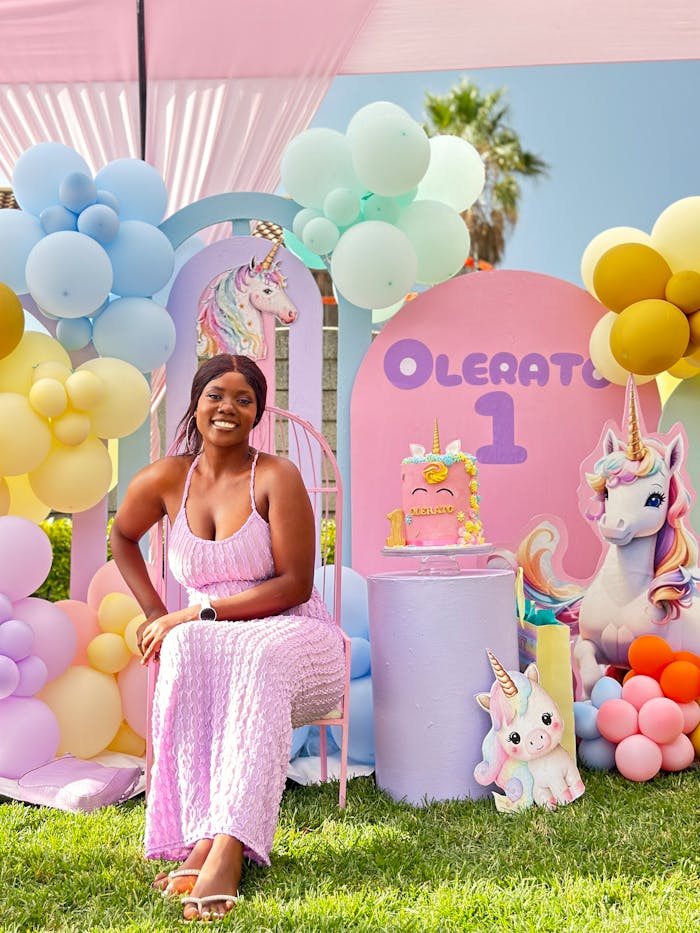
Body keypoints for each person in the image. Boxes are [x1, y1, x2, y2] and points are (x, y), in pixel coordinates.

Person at [110, 353, 345, 922]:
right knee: (186, 646)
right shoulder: (169, 478)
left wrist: (191, 614)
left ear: (258, 412)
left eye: (244, 399)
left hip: (292, 635)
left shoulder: (276, 475)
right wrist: (155, 613)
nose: (228, 408)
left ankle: (231, 845)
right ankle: (199, 837)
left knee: (248, 652)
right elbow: (122, 536)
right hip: (212, 643)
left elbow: (293, 586)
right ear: (196, 401)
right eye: (217, 394)